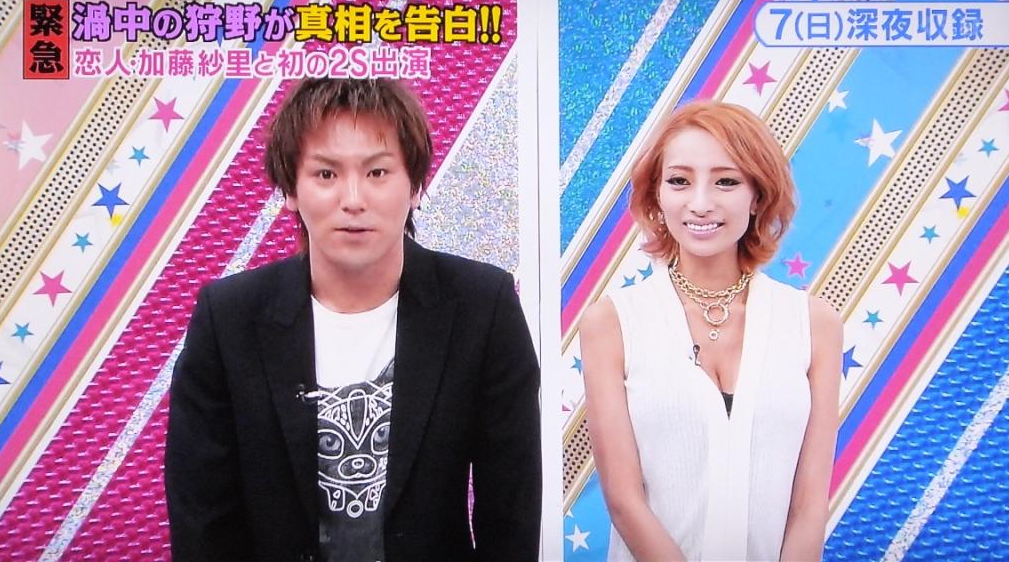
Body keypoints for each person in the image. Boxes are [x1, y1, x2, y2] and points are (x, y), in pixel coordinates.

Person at [164, 77, 542, 562]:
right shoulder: (230, 317)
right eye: (326, 174)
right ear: (291, 189)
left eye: (378, 172)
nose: (354, 199)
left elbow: (511, 505)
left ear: (415, 186)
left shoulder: (482, 306)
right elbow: (202, 514)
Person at [579, 101, 842, 561]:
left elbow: (809, 505)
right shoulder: (612, 322)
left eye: (726, 181)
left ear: (757, 195)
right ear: (657, 195)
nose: (700, 203)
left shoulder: (814, 323)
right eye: (679, 181)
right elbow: (624, 500)